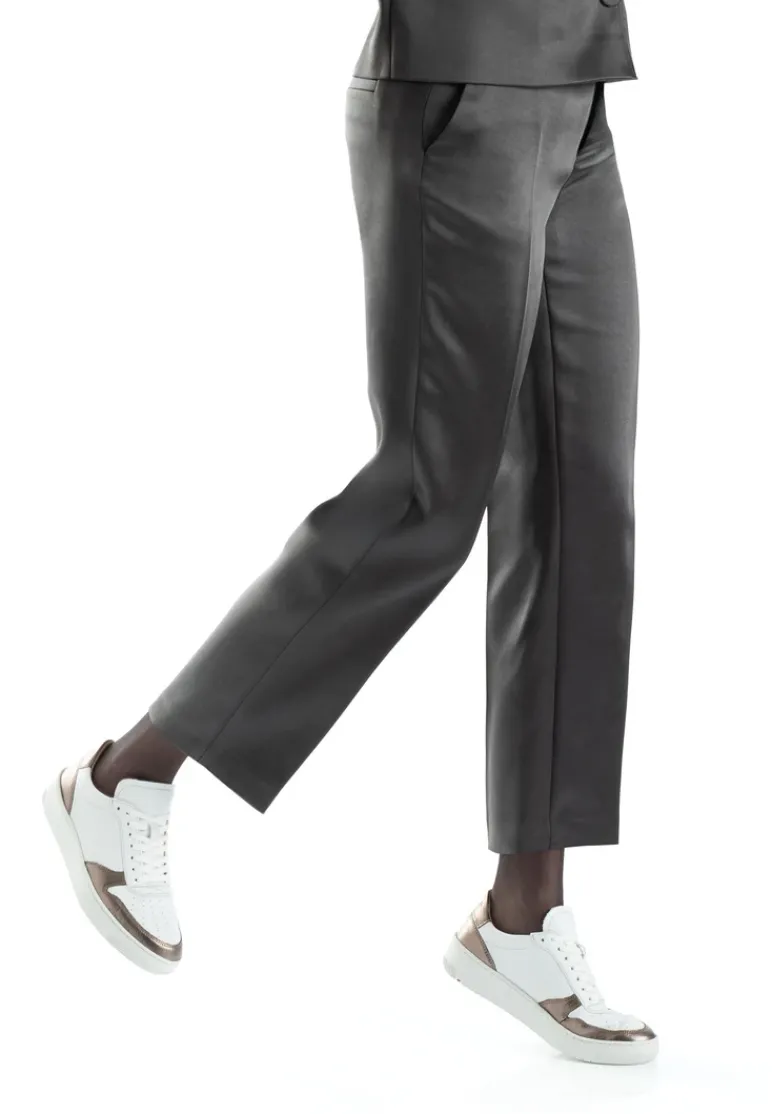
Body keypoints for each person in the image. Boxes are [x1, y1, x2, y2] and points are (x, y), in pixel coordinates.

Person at [43, 0, 657, 1066]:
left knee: (582, 503)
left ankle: (523, 913)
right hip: (459, 85)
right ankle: (125, 775)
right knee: (423, 496)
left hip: (579, 91)